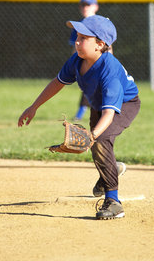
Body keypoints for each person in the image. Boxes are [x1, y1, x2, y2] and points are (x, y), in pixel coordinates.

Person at [18, 15, 141, 220]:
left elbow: (109, 113)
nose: (77, 41)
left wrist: (92, 135)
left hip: (124, 104)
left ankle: (114, 202)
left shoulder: (109, 70)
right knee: (98, 143)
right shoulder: (77, 60)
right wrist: (34, 106)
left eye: (84, 38)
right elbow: (58, 83)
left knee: (100, 139)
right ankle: (110, 170)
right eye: (78, 36)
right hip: (98, 104)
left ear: (100, 44)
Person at [69, 0, 99, 121]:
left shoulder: (100, 23)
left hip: (99, 61)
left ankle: (83, 114)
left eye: (88, 4)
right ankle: (82, 113)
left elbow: (108, 47)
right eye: (82, 5)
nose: (85, 7)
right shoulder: (77, 25)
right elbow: (74, 47)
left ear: (95, 7)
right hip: (84, 62)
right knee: (89, 87)